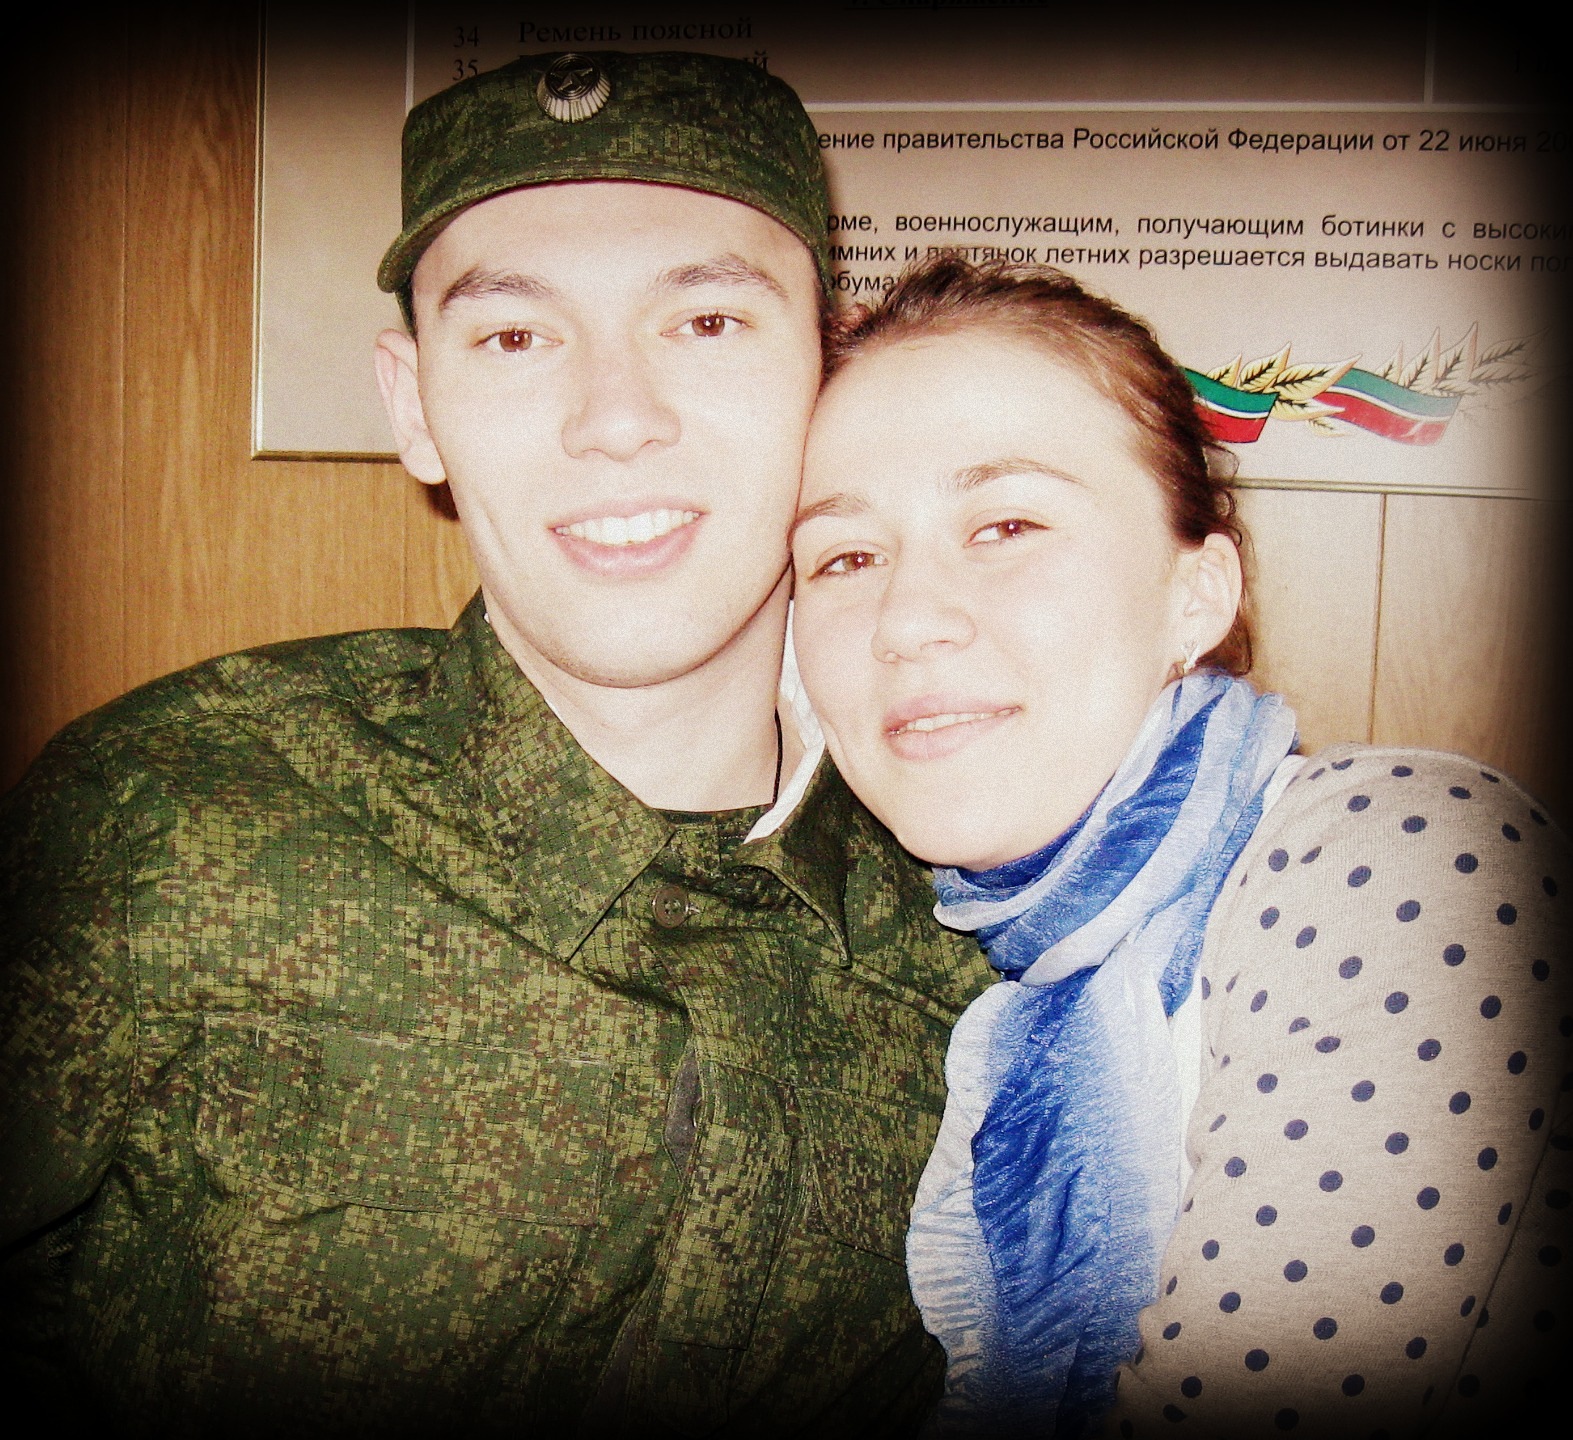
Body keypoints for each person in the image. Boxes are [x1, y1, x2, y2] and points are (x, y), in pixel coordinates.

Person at [0, 54, 990, 1436]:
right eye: (515, 339)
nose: (616, 420)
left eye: (706, 322)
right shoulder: (167, 816)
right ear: (415, 406)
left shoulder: (982, 915)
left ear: (829, 374)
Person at [788, 254, 1571, 1437]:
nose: (906, 620)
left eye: (1005, 524)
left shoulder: (1401, 857)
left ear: (1194, 596)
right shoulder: (981, 968)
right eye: (844, 557)